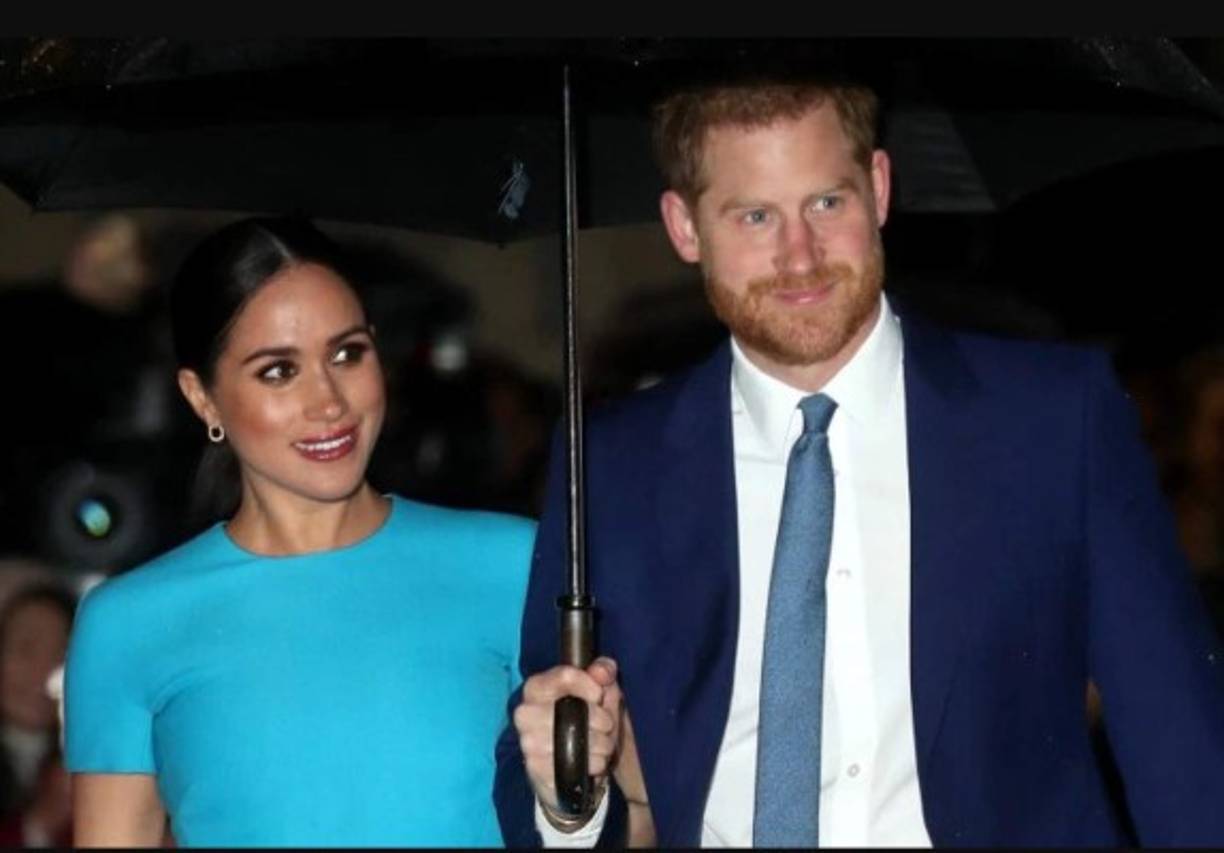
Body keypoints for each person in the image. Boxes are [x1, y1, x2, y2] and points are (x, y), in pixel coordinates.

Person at [494, 73, 1224, 847]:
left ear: (877, 188)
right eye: (754, 216)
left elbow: (1177, 736)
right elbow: (545, 776)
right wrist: (568, 794)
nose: (799, 254)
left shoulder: (1051, 418)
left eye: (826, 203)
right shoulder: (613, 462)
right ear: (684, 226)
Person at [64, 217, 534, 846]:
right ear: (202, 398)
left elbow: (622, 818)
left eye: (347, 353)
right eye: (278, 371)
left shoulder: (514, 564)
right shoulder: (128, 623)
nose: (330, 403)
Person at [0, 582, 76, 848]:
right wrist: (39, 824)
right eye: (25, 649)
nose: (42, 671)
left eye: (60, 653)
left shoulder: (88, 759)